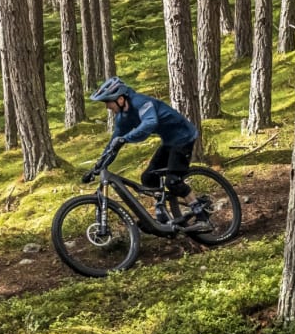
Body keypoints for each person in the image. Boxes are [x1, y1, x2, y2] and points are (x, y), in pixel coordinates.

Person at [86, 76, 209, 227]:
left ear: (119, 98)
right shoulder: (122, 117)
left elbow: (150, 123)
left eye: (108, 102)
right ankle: (162, 217)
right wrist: (97, 167)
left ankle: (201, 216)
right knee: (148, 178)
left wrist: (126, 138)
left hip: (184, 137)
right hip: (169, 141)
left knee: (173, 181)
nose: (107, 107)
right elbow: (114, 143)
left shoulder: (141, 102)